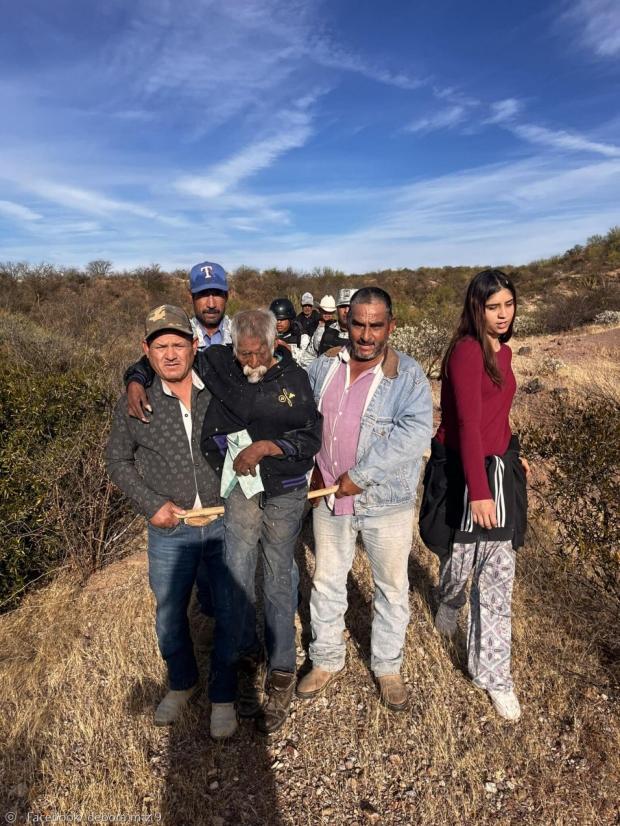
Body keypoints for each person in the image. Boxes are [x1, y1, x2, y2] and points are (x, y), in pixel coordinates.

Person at [124, 310, 323, 735]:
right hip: (241, 490)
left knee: (277, 579)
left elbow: (311, 437)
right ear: (231, 348)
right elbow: (166, 353)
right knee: (236, 580)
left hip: (285, 490)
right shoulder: (218, 364)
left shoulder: (295, 379)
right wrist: (135, 379)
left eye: (260, 354)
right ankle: (242, 670)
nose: (251, 363)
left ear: (277, 345)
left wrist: (270, 446)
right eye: (244, 354)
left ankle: (282, 672)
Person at [297, 287, 433, 711]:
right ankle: (325, 658)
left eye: (376, 325)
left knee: (391, 587)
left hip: (385, 504)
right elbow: (304, 421)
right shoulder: (324, 366)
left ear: (391, 326)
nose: (367, 334)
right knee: (327, 580)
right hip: (330, 500)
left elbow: (413, 434)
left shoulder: (407, 375)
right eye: (359, 324)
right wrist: (311, 469)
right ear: (346, 322)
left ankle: (387, 667)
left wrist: (360, 475)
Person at [105, 305, 237, 739]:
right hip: (170, 528)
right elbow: (118, 460)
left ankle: (223, 694)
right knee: (169, 614)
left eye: (179, 344)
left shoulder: (218, 388)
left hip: (222, 520)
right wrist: (151, 504)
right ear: (146, 351)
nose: (171, 354)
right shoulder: (135, 401)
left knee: (230, 611)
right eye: (160, 346)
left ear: (195, 345)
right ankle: (181, 683)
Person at [418, 269, 529, 722]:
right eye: (493, 306)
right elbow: (464, 426)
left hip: (496, 471)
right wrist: (479, 493)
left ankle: (494, 675)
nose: (502, 315)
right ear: (476, 308)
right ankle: (449, 600)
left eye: (508, 304)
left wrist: (514, 453)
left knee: (498, 577)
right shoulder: (466, 352)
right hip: (464, 474)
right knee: (459, 566)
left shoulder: (503, 353)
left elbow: (495, 417)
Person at [189, 260, 232, 349]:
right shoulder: (181, 338)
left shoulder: (243, 335)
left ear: (226, 296)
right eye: (203, 294)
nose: (211, 305)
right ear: (192, 298)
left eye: (217, 294)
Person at [269, 298, 310, 365]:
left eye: (282, 319)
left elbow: (308, 360)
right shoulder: (267, 336)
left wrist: (288, 348)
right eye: (276, 319)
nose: (278, 322)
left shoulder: (302, 337)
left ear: (291, 319)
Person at [317, 287, 357, 356]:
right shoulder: (328, 330)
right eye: (343, 306)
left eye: (350, 306)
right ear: (337, 309)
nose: (346, 311)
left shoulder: (364, 334)